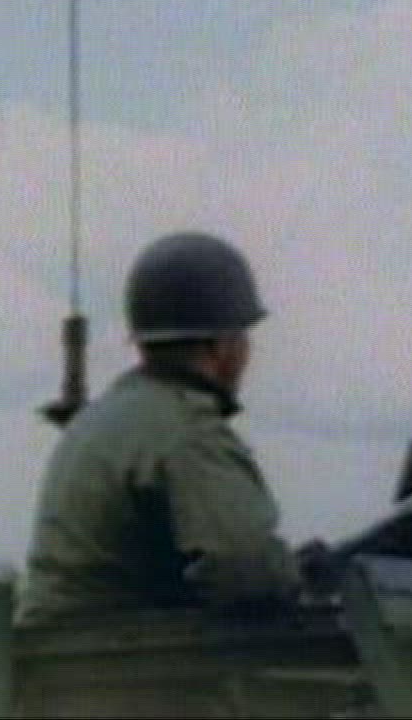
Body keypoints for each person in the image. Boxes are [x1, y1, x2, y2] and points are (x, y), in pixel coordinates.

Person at [16, 231, 303, 626]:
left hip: (64, 650)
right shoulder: (187, 431)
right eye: (243, 337)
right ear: (221, 346)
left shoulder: (102, 416)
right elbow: (249, 575)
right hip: (127, 657)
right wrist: (298, 574)